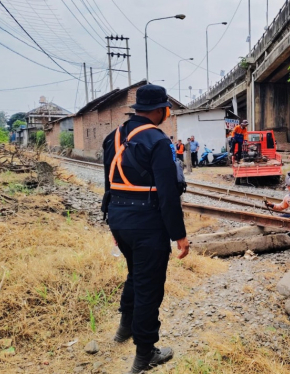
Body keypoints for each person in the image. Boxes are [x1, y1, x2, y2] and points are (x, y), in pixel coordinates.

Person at [101, 84, 190, 374]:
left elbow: (108, 183)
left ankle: (124, 328)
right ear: (159, 110)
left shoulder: (112, 136)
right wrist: (179, 235)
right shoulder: (158, 141)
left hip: (118, 217)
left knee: (136, 274)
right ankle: (145, 353)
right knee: (149, 286)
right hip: (146, 224)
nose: (167, 113)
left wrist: (110, 219)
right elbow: (167, 194)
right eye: (167, 108)